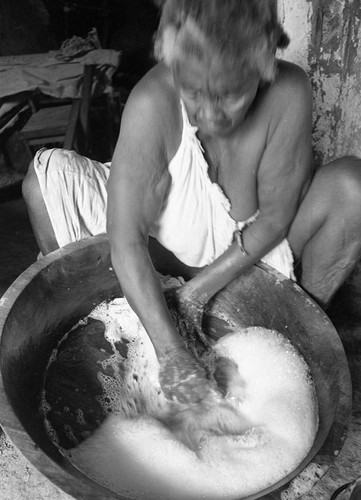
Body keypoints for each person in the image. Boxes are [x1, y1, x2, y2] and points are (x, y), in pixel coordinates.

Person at [22, 0, 361, 398]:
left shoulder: (288, 90)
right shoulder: (153, 101)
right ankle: (92, 312)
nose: (210, 114)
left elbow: (274, 219)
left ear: (264, 68)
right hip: (162, 238)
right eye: (195, 92)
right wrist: (171, 353)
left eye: (230, 95)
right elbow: (127, 240)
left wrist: (194, 296)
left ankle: (297, 334)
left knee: (352, 186)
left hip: (247, 246)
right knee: (44, 182)